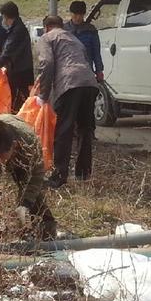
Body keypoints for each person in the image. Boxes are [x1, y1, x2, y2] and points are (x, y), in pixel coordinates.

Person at [36, 14, 99, 187]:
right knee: (85, 129)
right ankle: (83, 173)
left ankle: (59, 176)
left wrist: (43, 94)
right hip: (89, 83)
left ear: (47, 27)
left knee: (64, 130)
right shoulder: (74, 38)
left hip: (69, 84)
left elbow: (46, 63)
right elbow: (86, 60)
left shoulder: (47, 38)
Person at [0, 2, 34, 113]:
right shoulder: (17, 29)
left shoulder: (17, 31)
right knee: (20, 104)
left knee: (19, 105)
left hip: (20, 73)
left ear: (5, 16)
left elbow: (9, 51)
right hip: (21, 71)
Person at [63, 1, 104, 83]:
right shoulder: (63, 30)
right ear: (71, 13)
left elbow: (96, 52)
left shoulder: (91, 30)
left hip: (86, 71)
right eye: (75, 14)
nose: (78, 18)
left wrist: (99, 70)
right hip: (67, 73)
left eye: (81, 15)